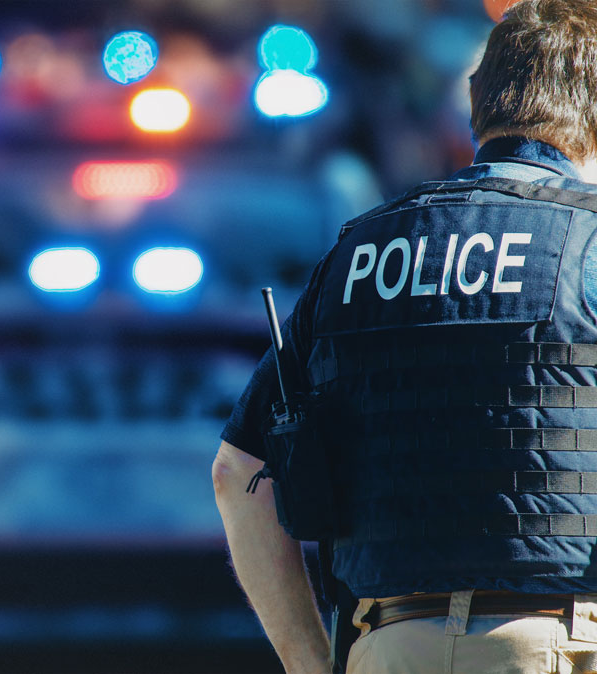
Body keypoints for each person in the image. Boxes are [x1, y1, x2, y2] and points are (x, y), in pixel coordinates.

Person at [212, 1, 597, 672]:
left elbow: (236, 472)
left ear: (479, 107)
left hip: (385, 646)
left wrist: (310, 663)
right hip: (561, 644)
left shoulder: (359, 254)